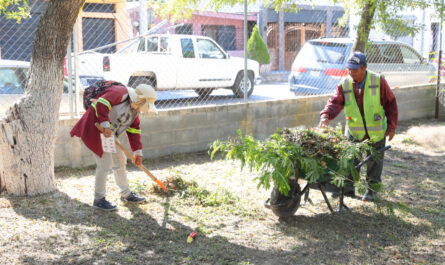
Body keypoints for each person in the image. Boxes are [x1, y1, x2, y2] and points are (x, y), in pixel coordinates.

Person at [318, 52, 398, 202]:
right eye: (349, 69)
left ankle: (372, 191)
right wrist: (326, 115)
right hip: (355, 131)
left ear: (364, 68)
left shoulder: (378, 81)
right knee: (350, 160)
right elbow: (334, 102)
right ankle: (347, 189)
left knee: (374, 162)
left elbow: (391, 104)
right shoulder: (345, 84)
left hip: (376, 132)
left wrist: (392, 127)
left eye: (355, 69)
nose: (351, 72)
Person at [70, 83, 158, 211]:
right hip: (96, 128)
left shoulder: (134, 111)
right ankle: (99, 199)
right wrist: (105, 125)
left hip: (108, 135)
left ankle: (126, 194)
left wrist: (137, 152)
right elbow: (102, 104)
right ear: (140, 100)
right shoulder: (120, 92)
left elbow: (134, 131)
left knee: (120, 160)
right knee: (104, 163)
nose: (141, 110)